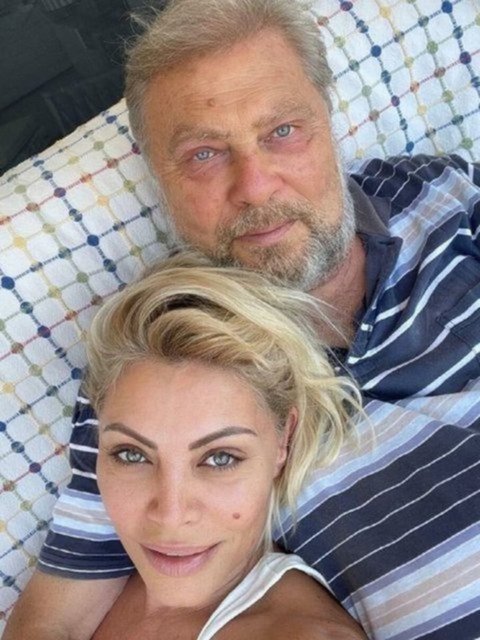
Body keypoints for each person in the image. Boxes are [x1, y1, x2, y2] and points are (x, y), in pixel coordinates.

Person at [5, 0, 480, 638]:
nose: (255, 186)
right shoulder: (159, 351)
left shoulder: (440, 197)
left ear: (329, 120)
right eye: (204, 153)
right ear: (158, 178)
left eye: (282, 130)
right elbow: (52, 621)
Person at [83, 251, 365, 639]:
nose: (171, 515)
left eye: (220, 458)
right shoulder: (91, 585)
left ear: (283, 440)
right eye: (131, 455)